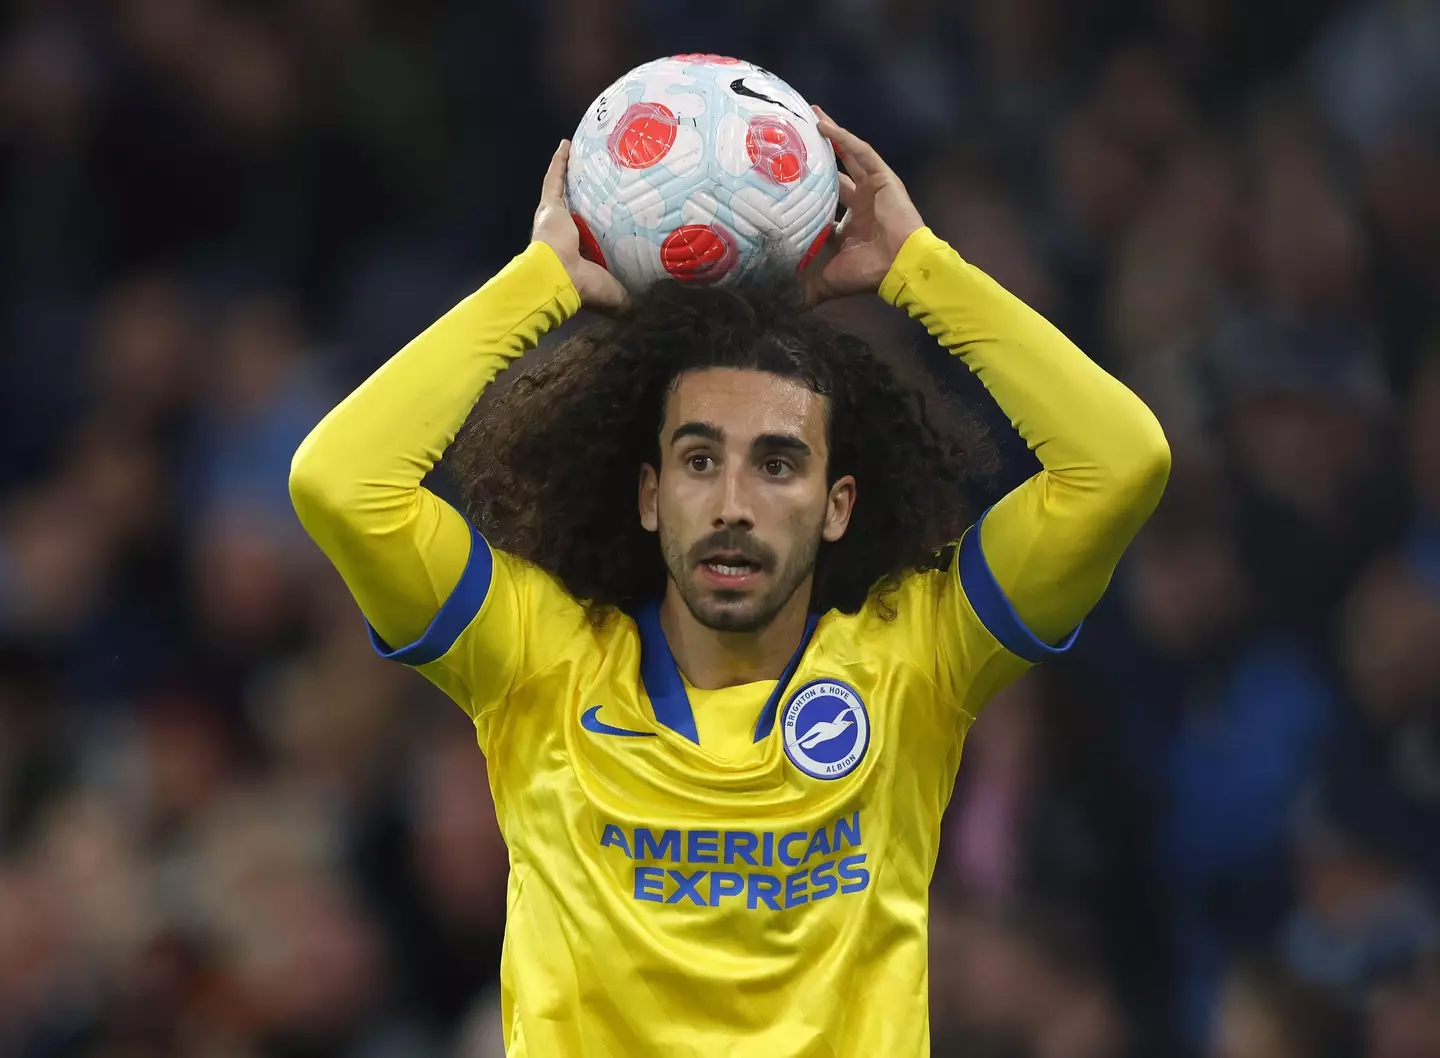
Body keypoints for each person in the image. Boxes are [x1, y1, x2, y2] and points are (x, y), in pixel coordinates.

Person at [289, 107, 1170, 1057]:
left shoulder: (915, 664)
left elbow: (1119, 465)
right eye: (699, 461)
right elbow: (340, 484)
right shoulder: (537, 665)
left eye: (779, 464)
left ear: (837, 505)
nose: (733, 502)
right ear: (649, 496)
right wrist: (540, 286)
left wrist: (919, 269)